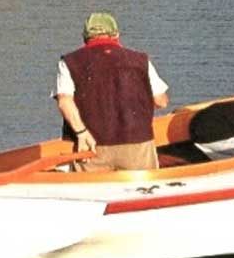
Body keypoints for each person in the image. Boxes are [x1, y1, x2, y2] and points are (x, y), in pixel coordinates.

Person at [56, 12, 169, 171]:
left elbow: (64, 101)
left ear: (85, 37)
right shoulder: (140, 60)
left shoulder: (68, 62)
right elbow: (161, 101)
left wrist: (81, 133)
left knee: (91, 193)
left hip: (91, 146)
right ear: (116, 35)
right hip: (136, 144)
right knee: (142, 189)